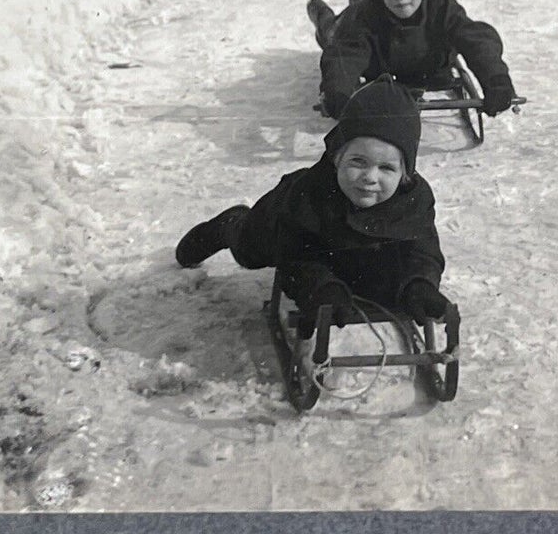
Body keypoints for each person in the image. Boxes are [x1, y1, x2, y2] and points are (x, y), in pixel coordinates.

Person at [174, 77, 449, 355]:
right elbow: (295, 258)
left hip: (347, 248)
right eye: (358, 162)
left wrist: (420, 284)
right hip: (275, 224)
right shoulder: (308, 195)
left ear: (404, 175)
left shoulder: (414, 200)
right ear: (336, 157)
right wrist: (320, 289)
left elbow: (422, 251)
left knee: (378, 267)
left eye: (386, 168)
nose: (369, 177)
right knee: (249, 252)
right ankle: (229, 224)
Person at [306, 0, 518, 120]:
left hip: (429, 67)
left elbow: (476, 40)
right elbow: (346, 55)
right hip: (377, 64)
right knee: (333, 33)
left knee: (361, 8)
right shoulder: (367, 13)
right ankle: (322, 14)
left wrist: (497, 81)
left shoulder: (440, 2)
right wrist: (338, 92)